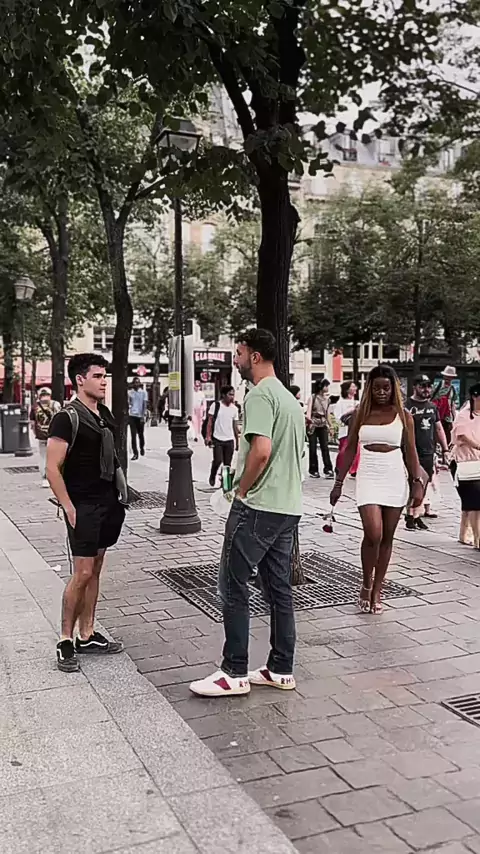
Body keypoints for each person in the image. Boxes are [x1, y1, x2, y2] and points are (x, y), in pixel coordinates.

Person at [190, 328, 305, 697]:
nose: (236, 359)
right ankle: (281, 668)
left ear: (255, 356)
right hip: (288, 507)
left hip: (258, 506)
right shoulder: (289, 400)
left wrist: (240, 492)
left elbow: (262, 451)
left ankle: (234, 671)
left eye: (239, 353)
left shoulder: (259, 396)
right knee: (278, 589)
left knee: (232, 584)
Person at [46, 354, 126, 673]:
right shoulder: (66, 418)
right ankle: (65, 639)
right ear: (80, 379)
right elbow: (52, 468)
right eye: (97, 376)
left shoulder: (103, 413)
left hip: (107, 503)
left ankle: (87, 634)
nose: (104, 382)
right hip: (83, 506)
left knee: (95, 569)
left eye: (105, 376)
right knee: (81, 573)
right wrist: (68, 507)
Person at [330, 364, 423, 614]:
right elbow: (349, 448)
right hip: (368, 475)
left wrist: (417, 483)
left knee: (387, 537)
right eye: (377, 388)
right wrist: (338, 483)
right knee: (373, 533)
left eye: (386, 388)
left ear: (393, 389)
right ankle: (365, 582)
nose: (381, 392)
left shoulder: (404, 416)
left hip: (394, 475)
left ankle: (378, 589)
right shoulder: (360, 414)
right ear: (369, 389)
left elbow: (411, 452)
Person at [404, 374, 448, 531]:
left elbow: (438, 428)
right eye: (422, 386)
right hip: (411, 451)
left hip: (428, 451)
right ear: (415, 387)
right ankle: (410, 515)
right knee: (415, 483)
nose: (426, 389)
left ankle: (415, 515)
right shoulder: (406, 406)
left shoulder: (432, 407)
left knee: (424, 485)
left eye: (428, 386)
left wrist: (445, 449)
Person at [451, 383, 480, 549]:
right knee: (475, 502)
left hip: (477, 462)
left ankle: (463, 535)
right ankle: (478, 539)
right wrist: (478, 446)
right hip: (464, 462)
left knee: (471, 502)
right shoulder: (464, 415)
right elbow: (461, 435)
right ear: (475, 397)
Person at [206, 385, 239, 487]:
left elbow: (235, 426)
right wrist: (208, 436)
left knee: (227, 464)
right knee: (218, 460)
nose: (232, 397)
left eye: (233, 395)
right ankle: (213, 474)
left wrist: (237, 441)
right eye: (230, 394)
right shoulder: (216, 406)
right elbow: (210, 422)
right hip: (217, 438)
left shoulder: (234, 409)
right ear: (223, 395)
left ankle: (225, 484)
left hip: (229, 439)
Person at [29, 387, 61, 487]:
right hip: (54, 435)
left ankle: (45, 479)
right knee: (55, 456)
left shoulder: (35, 406)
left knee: (43, 457)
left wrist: (36, 433)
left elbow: (32, 423)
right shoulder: (56, 404)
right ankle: (55, 477)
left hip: (41, 436)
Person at [306, 378, 334, 479]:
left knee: (325, 448)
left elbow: (327, 415)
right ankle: (313, 470)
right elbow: (309, 411)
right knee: (312, 448)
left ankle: (328, 469)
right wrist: (309, 422)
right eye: (326, 385)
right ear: (321, 386)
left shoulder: (327, 400)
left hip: (323, 424)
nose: (327, 387)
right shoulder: (313, 397)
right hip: (313, 424)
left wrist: (331, 426)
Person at [332, 380, 359, 477]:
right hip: (345, 430)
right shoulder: (340, 403)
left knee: (357, 450)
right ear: (347, 389)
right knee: (343, 450)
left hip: (355, 429)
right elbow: (338, 416)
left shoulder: (357, 402)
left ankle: (354, 470)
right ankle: (339, 468)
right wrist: (351, 411)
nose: (355, 388)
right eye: (352, 386)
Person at [432, 366, 458, 445]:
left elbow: (452, 404)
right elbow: (430, 398)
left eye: (450, 377)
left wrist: (455, 419)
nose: (448, 379)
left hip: (447, 418)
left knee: (447, 438)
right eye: (446, 376)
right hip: (436, 416)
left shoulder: (452, 389)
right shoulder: (438, 385)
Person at [128, 376, 148, 460]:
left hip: (140, 416)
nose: (136, 384)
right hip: (132, 415)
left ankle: (142, 447)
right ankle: (135, 453)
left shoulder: (143, 393)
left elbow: (144, 405)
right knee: (133, 435)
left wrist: (143, 415)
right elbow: (129, 403)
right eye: (135, 382)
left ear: (139, 383)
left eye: (138, 382)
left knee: (141, 434)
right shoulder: (130, 393)